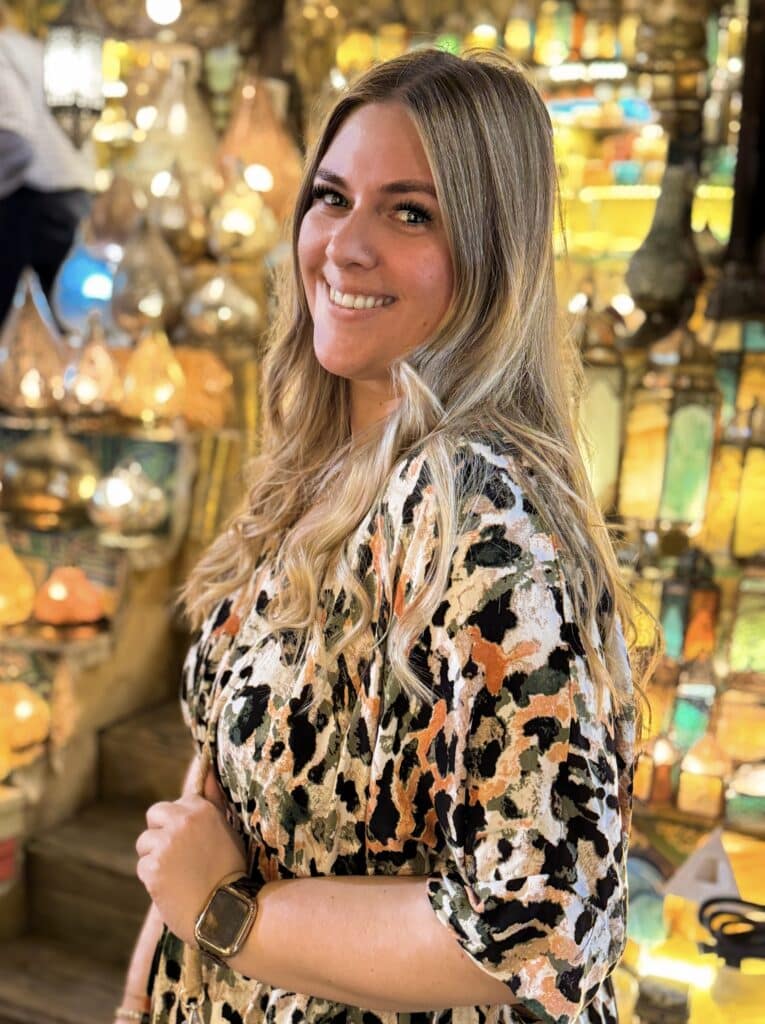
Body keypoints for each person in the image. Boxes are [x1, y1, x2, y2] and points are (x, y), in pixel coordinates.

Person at [124, 47, 653, 1024]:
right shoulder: (320, 467)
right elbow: (218, 803)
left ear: (491, 256)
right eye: (332, 198)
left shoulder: (479, 510)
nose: (345, 245)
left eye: (410, 214)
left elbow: (542, 933)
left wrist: (223, 912)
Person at [0, 2, 94, 326]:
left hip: (31, 204)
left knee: (15, 324)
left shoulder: (3, 49)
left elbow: (15, 133)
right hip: (74, 195)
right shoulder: (33, 50)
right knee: (62, 318)